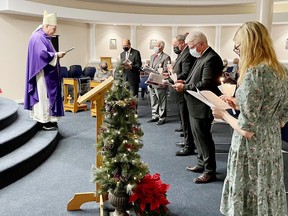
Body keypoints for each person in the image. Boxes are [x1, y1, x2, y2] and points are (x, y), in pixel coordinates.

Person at [212, 21, 288, 216]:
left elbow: (247, 130)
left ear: (248, 45)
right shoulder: (281, 71)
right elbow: (280, 113)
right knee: (267, 192)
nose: (237, 50)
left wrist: (224, 115)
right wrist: (238, 103)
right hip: (271, 143)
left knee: (249, 197)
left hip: (250, 150)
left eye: (238, 46)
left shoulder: (254, 74)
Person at [173, 31, 223, 183]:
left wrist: (185, 87)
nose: (190, 49)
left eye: (191, 46)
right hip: (194, 103)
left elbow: (206, 83)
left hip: (203, 105)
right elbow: (193, 77)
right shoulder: (202, 56)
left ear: (201, 44)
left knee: (204, 138)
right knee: (198, 137)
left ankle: (210, 171)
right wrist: (184, 82)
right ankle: (201, 163)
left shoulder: (211, 58)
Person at [24, 11, 66, 131]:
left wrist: (56, 55)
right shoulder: (38, 37)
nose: (55, 31)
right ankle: (44, 121)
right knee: (43, 96)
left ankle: (46, 119)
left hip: (45, 72)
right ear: (46, 26)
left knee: (45, 97)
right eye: (54, 28)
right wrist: (57, 55)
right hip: (42, 74)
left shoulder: (43, 36)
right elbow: (42, 54)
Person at [166, 35, 196, 156]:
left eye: (175, 45)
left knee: (186, 119)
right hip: (179, 88)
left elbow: (186, 73)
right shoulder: (182, 53)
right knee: (183, 118)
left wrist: (174, 77)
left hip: (183, 90)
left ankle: (189, 145)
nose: (174, 48)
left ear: (183, 43)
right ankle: (187, 142)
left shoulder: (187, 53)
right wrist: (170, 74)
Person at [147, 40, 171, 125]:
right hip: (151, 81)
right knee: (153, 100)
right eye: (155, 46)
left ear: (162, 47)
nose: (155, 47)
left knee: (161, 100)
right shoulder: (152, 56)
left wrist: (158, 72)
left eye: (157, 46)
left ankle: (162, 117)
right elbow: (150, 67)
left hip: (160, 81)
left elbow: (166, 70)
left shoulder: (166, 57)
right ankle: (155, 115)